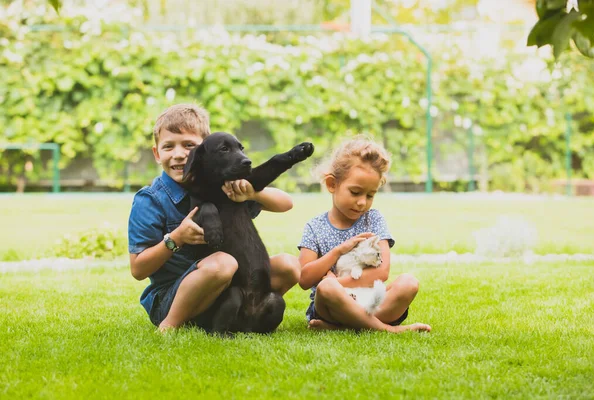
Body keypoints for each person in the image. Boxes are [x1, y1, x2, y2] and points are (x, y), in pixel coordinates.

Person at [128, 103, 300, 332]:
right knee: (222, 263)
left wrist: (253, 192)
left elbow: (286, 203)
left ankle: (241, 315)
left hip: (227, 290)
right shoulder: (151, 200)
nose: (179, 154)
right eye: (168, 146)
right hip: (171, 299)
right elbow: (138, 270)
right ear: (157, 153)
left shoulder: (223, 185)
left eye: (189, 145)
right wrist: (176, 238)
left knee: (288, 265)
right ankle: (170, 326)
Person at [298, 136, 431, 333]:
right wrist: (337, 252)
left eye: (370, 195)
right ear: (332, 184)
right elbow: (305, 279)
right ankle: (387, 329)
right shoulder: (314, 227)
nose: (362, 202)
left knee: (408, 283)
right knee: (326, 289)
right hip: (331, 304)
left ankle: (342, 326)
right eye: (355, 192)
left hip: (368, 300)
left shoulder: (374, 219)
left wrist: (336, 281)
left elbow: (381, 272)